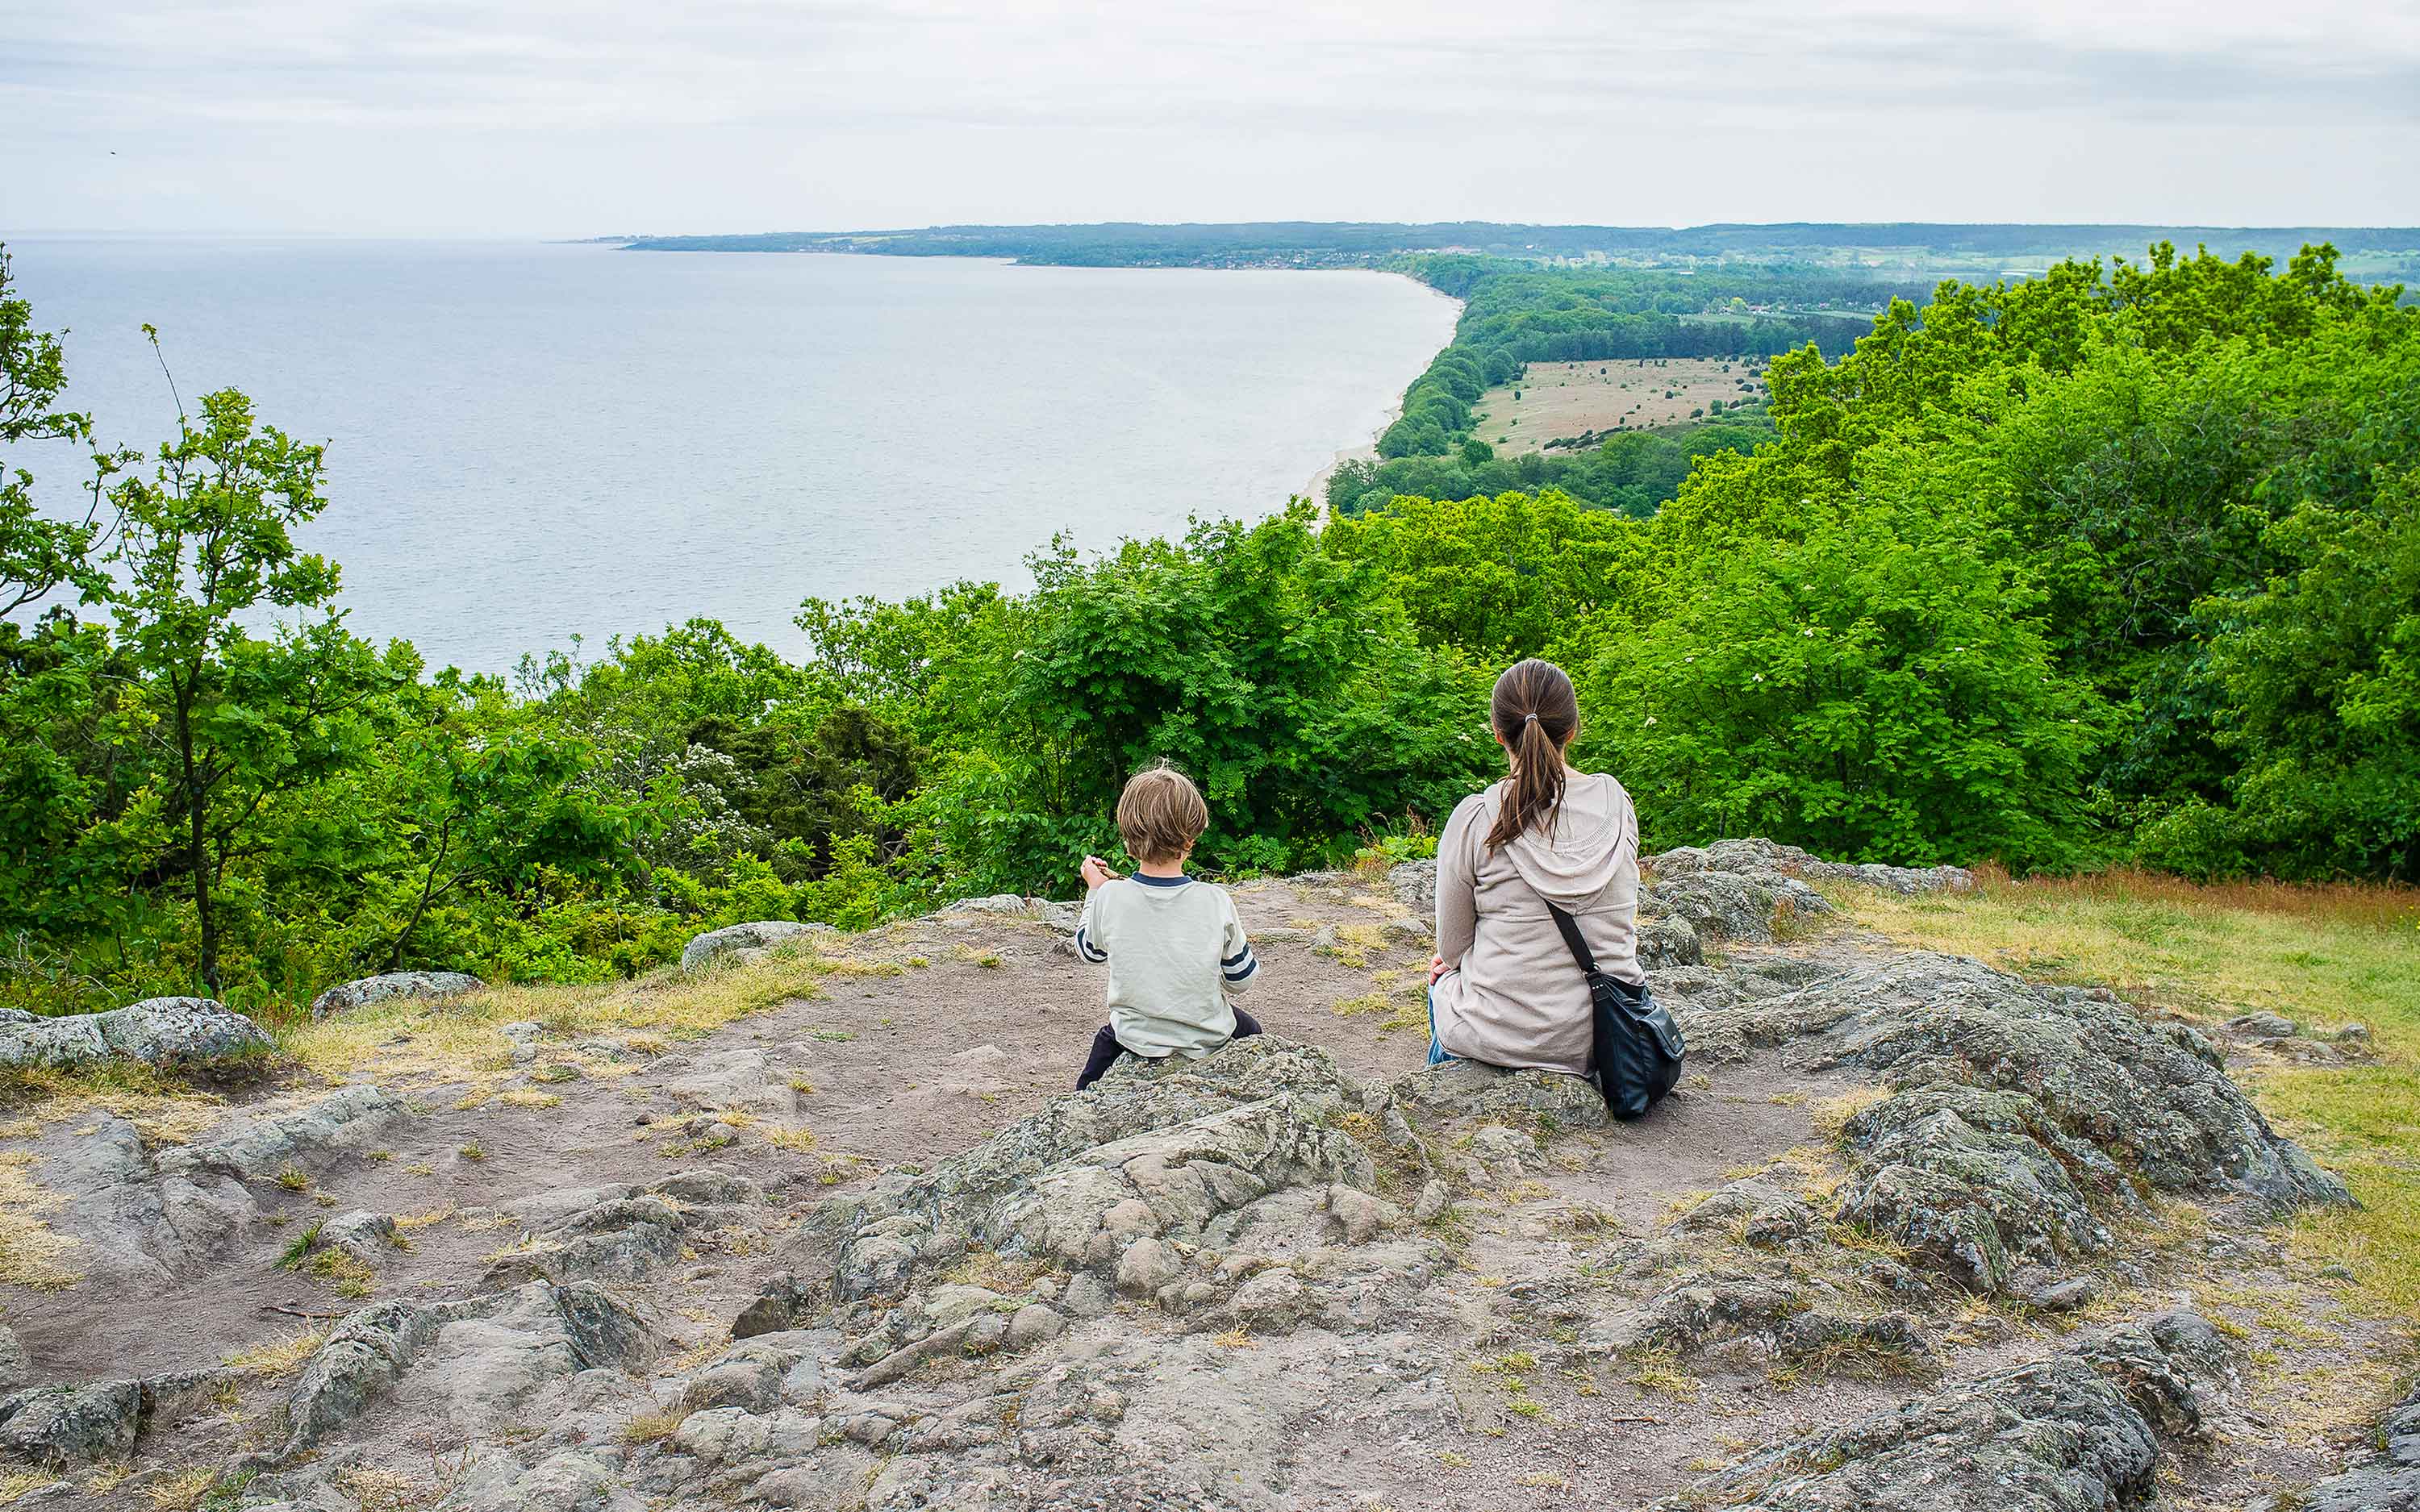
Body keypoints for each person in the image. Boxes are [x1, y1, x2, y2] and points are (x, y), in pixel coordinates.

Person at [1426, 658, 1642, 1074]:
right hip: (1606, 1036)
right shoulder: (1618, 804)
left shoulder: (1476, 818)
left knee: (1441, 980)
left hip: (1497, 1035)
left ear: (1497, 734)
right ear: (1572, 731)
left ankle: (1442, 1092)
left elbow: (1452, 949)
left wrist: (1457, 964)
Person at [1070, 762, 1263, 1090]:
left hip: (1132, 1037)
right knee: (1253, 1033)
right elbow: (1241, 981)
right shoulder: (1214, 900)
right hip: (1208, 1034)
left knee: (1087, 1087)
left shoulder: (1111, 896)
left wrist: (1094, 891)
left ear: (1128, 837)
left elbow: (1088, 952)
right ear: (1191, 838)